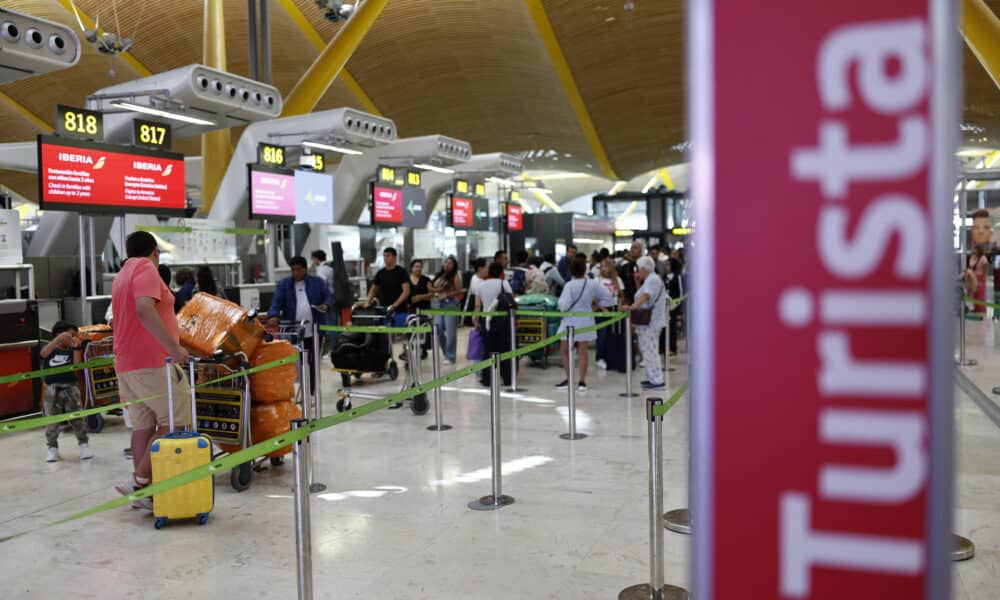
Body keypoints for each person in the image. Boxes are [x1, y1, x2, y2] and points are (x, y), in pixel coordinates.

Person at [112, 231, 191, 510]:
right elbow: (145, 309)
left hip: (127, 364)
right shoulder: (145, 268)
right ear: (155, 251)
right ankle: (140, 481)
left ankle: (143, 494)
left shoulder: (122, 274)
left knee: (144, 426)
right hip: (152, 363)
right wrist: (173, 348)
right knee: (173, 422)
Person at [268, 256, 333, 391]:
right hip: (294, 331)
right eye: (293, 270)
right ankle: (299, 389)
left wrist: (325, 305)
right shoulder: (284, 285)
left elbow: (328, 296)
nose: (295, 273)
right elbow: (276, 302)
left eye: (298, 270)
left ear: (305, 269)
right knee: (298, 362)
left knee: (314, 361)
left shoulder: (317, 282)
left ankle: (312, 391)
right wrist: (273, 315)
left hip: (314, 330)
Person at [555, 257, 613, 392]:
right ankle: (582, 381)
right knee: (583, 351)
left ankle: (569, 379)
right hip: (586, 320)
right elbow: (608, 296)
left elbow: (563, 305)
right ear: (584, 269)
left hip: (569, 320)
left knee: (564, 350)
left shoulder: (569, 285)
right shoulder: (592, 283)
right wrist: (596, 306)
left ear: (571, 271)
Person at [41, 320, 92, 462]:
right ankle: (52, 448)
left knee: (77, 417)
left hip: (70, 385)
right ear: (59, 334)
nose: (73, 338)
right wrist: (58, 339)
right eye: (71, 335)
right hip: (52, 387)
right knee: (52, 419)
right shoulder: (51, 349)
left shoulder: (74, 348)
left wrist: (76, 348)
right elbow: (43, 354)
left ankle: (84, 444)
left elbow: (76, 366)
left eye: (75, 335)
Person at [625, 255, 667, 390]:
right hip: (648, 322)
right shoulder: (650, 279)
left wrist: (634, 306)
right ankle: (652, 378)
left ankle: (657, 381)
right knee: (647, 350)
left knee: (650, 351)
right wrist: (637, 282)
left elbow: (646, 296)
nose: (637, 272)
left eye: (639, 269)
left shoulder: (653, 280)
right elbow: (642, 293)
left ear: (644, 268)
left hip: (651, 322)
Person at [474, 262, 514, 387]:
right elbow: (510, 301)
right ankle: (507, 379)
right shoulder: (504, 283)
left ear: (489, 272)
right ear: (501, 272)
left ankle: (487, 379)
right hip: (503, 322)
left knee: (488, 351)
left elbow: (477, 306)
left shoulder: (480, 286)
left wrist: (476, 321)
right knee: (505, 350)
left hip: (486, 321)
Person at [364, 248, 411, 326]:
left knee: (399, 335)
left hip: (400, 311)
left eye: (388, 256)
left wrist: (395, 305)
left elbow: (406, 291)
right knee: (386, 336)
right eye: (384, 256)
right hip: (385, 311)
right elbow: (373, 290)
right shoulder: (380, 273)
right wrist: (367, 302)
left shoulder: (401, 272)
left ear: (394, 257)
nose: (386, 258)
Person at [431, 256, 462, 364]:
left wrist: (447, 294)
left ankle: (450, 356)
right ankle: (446, 352)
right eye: (446, 262)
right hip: (439, 305)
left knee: (450, 332)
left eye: (450, 263)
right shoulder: (439, 275)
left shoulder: (455, 276)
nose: (447, 265)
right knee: (437, 329)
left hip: (451, 304)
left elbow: (459, 291)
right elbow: (433, 287)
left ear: (454, 266)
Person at [595, 257, 625, 370]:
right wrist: (602, 309)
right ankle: (600, 357)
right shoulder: (597, 281)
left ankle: (611, 355)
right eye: (602, 266)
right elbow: (595, 298)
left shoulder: (617, 280)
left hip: (614, 309)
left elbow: (621, 295)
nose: (604, 269)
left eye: (606, 266)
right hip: (602, 310)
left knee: (612, 334)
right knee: (601, 335)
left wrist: (620, 306)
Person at [405, 259, 434, 360]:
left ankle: (422, 349)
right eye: (415, 266)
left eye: (419, 266)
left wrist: (419, 297)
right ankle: (407, 352)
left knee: (424, 331)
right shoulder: (406, 280)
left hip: (424, 309)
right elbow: (406, 295)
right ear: (411, 268)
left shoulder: (426, 280)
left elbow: (431, 294)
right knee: (409, 331)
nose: (418, 268)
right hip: (410, 309)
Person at [312, 250, 339, 347]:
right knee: (334, 324)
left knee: (329, 325)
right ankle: (335, 346)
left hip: (327, 300)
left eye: (313, 259)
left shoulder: (321, 269)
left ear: (316, 259)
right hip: (334, 298)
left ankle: (333, 347)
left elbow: (321, 284)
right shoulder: (329, 268)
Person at [666, 257, 684, 356]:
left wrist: (678, 305)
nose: (666, 267)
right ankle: (663, 347)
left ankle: (673, 348)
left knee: (672, 328)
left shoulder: (677, 277)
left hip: (674, 306)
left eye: (668, 265)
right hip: (665, 306)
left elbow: (680, 292)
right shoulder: (664, 276)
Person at [967, 244, 989, 313]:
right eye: (974, 249)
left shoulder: (983, 258)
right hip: (973, 277)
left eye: (975, 249)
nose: (974, 250)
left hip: (980, 277)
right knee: (975, 293)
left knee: (981, 293)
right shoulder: (972, 257)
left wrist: (983, 278)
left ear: (979, 250)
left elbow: (985, 268)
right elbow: (970, 267)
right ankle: (976, 308)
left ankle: (982, 309)